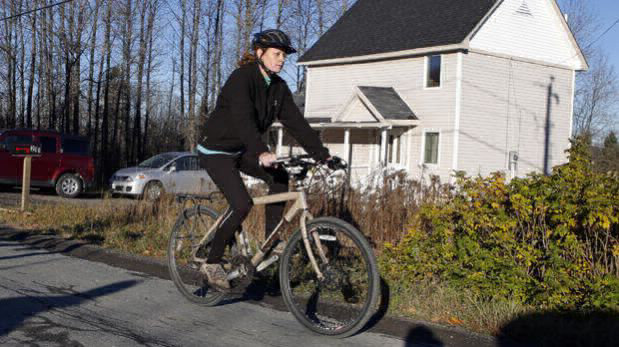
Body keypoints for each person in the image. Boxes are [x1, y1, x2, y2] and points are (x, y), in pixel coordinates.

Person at [197, 29, 331, 290]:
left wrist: (322, 154)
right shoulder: (241, 79)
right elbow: (244, 121)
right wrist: (261, 151)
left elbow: (297, 123)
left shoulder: (278, 88)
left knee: (280, 176)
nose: (281, 60)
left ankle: (270, 242)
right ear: (260, 53)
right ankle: (212, 263)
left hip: (243, 149)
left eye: (284, 55)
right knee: (242, 203)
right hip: (216, 150)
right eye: (276, 54)